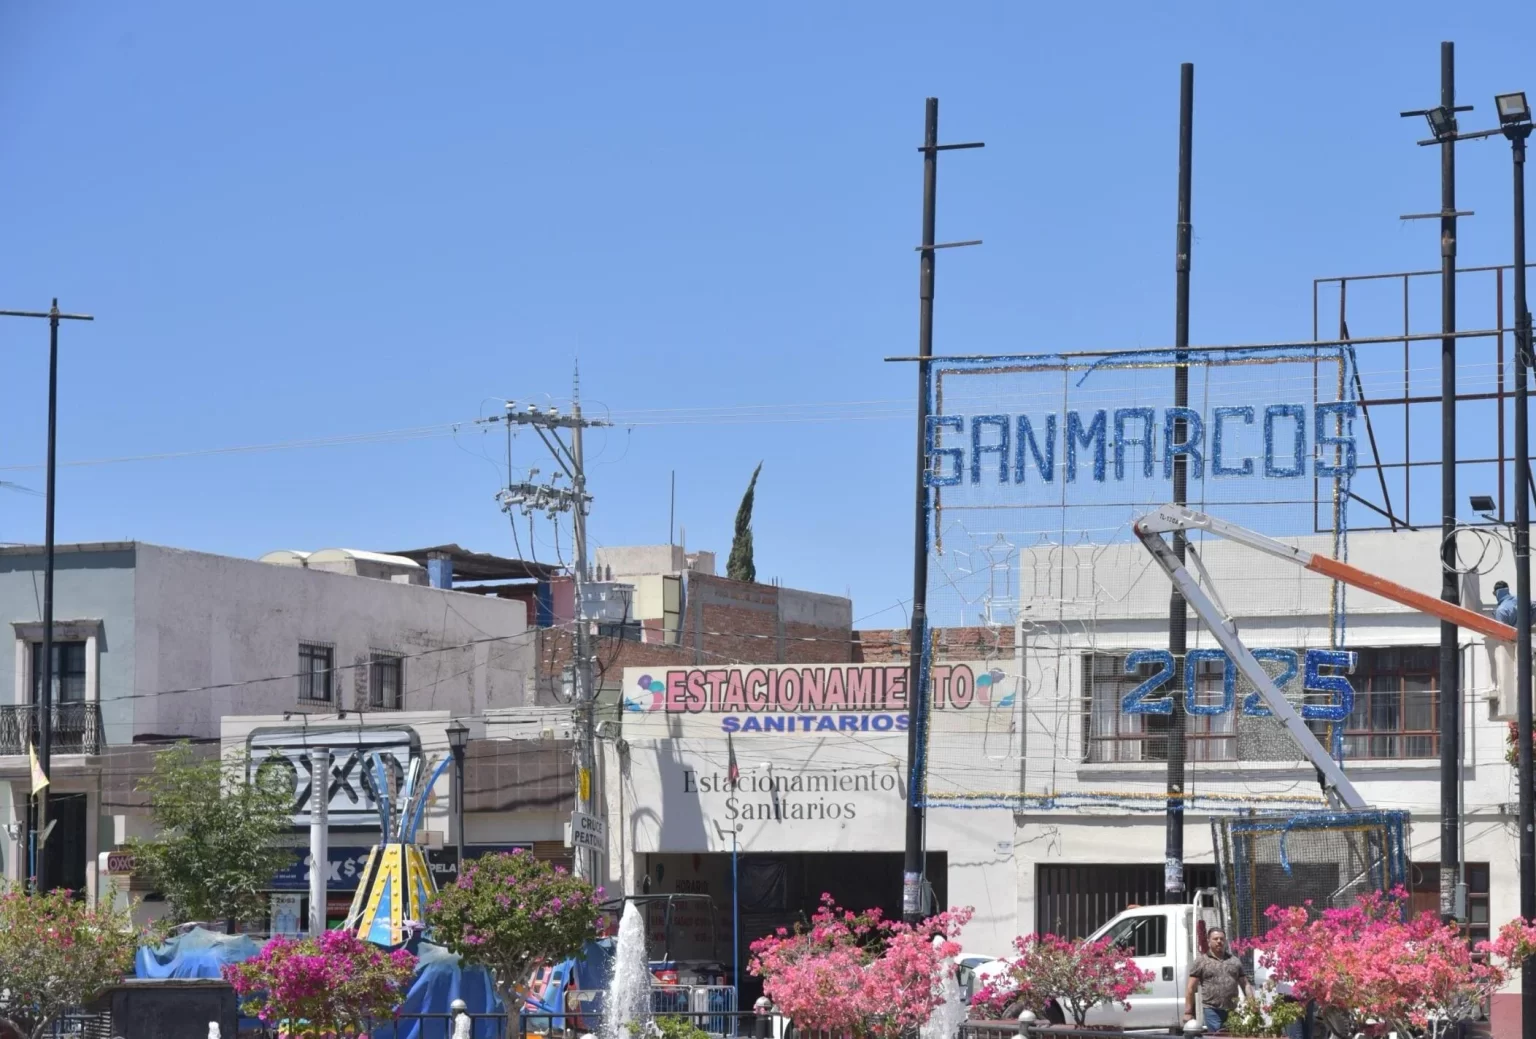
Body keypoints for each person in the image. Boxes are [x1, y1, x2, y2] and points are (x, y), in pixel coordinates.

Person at [1185, 928, 1252, 1034]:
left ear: (1225, 940)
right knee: (1217, 1036)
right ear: (1209, 941)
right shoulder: (1202, 961)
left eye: (1221, 939)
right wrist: (1188, 1012)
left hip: (1232, 1009)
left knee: (1232, 1035)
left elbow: (1245, 984)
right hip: (1212, 1010)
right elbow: (1190, 988)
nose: (1219, 941)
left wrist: (1252, 1003)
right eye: (1215, 939)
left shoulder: (1234, 961)